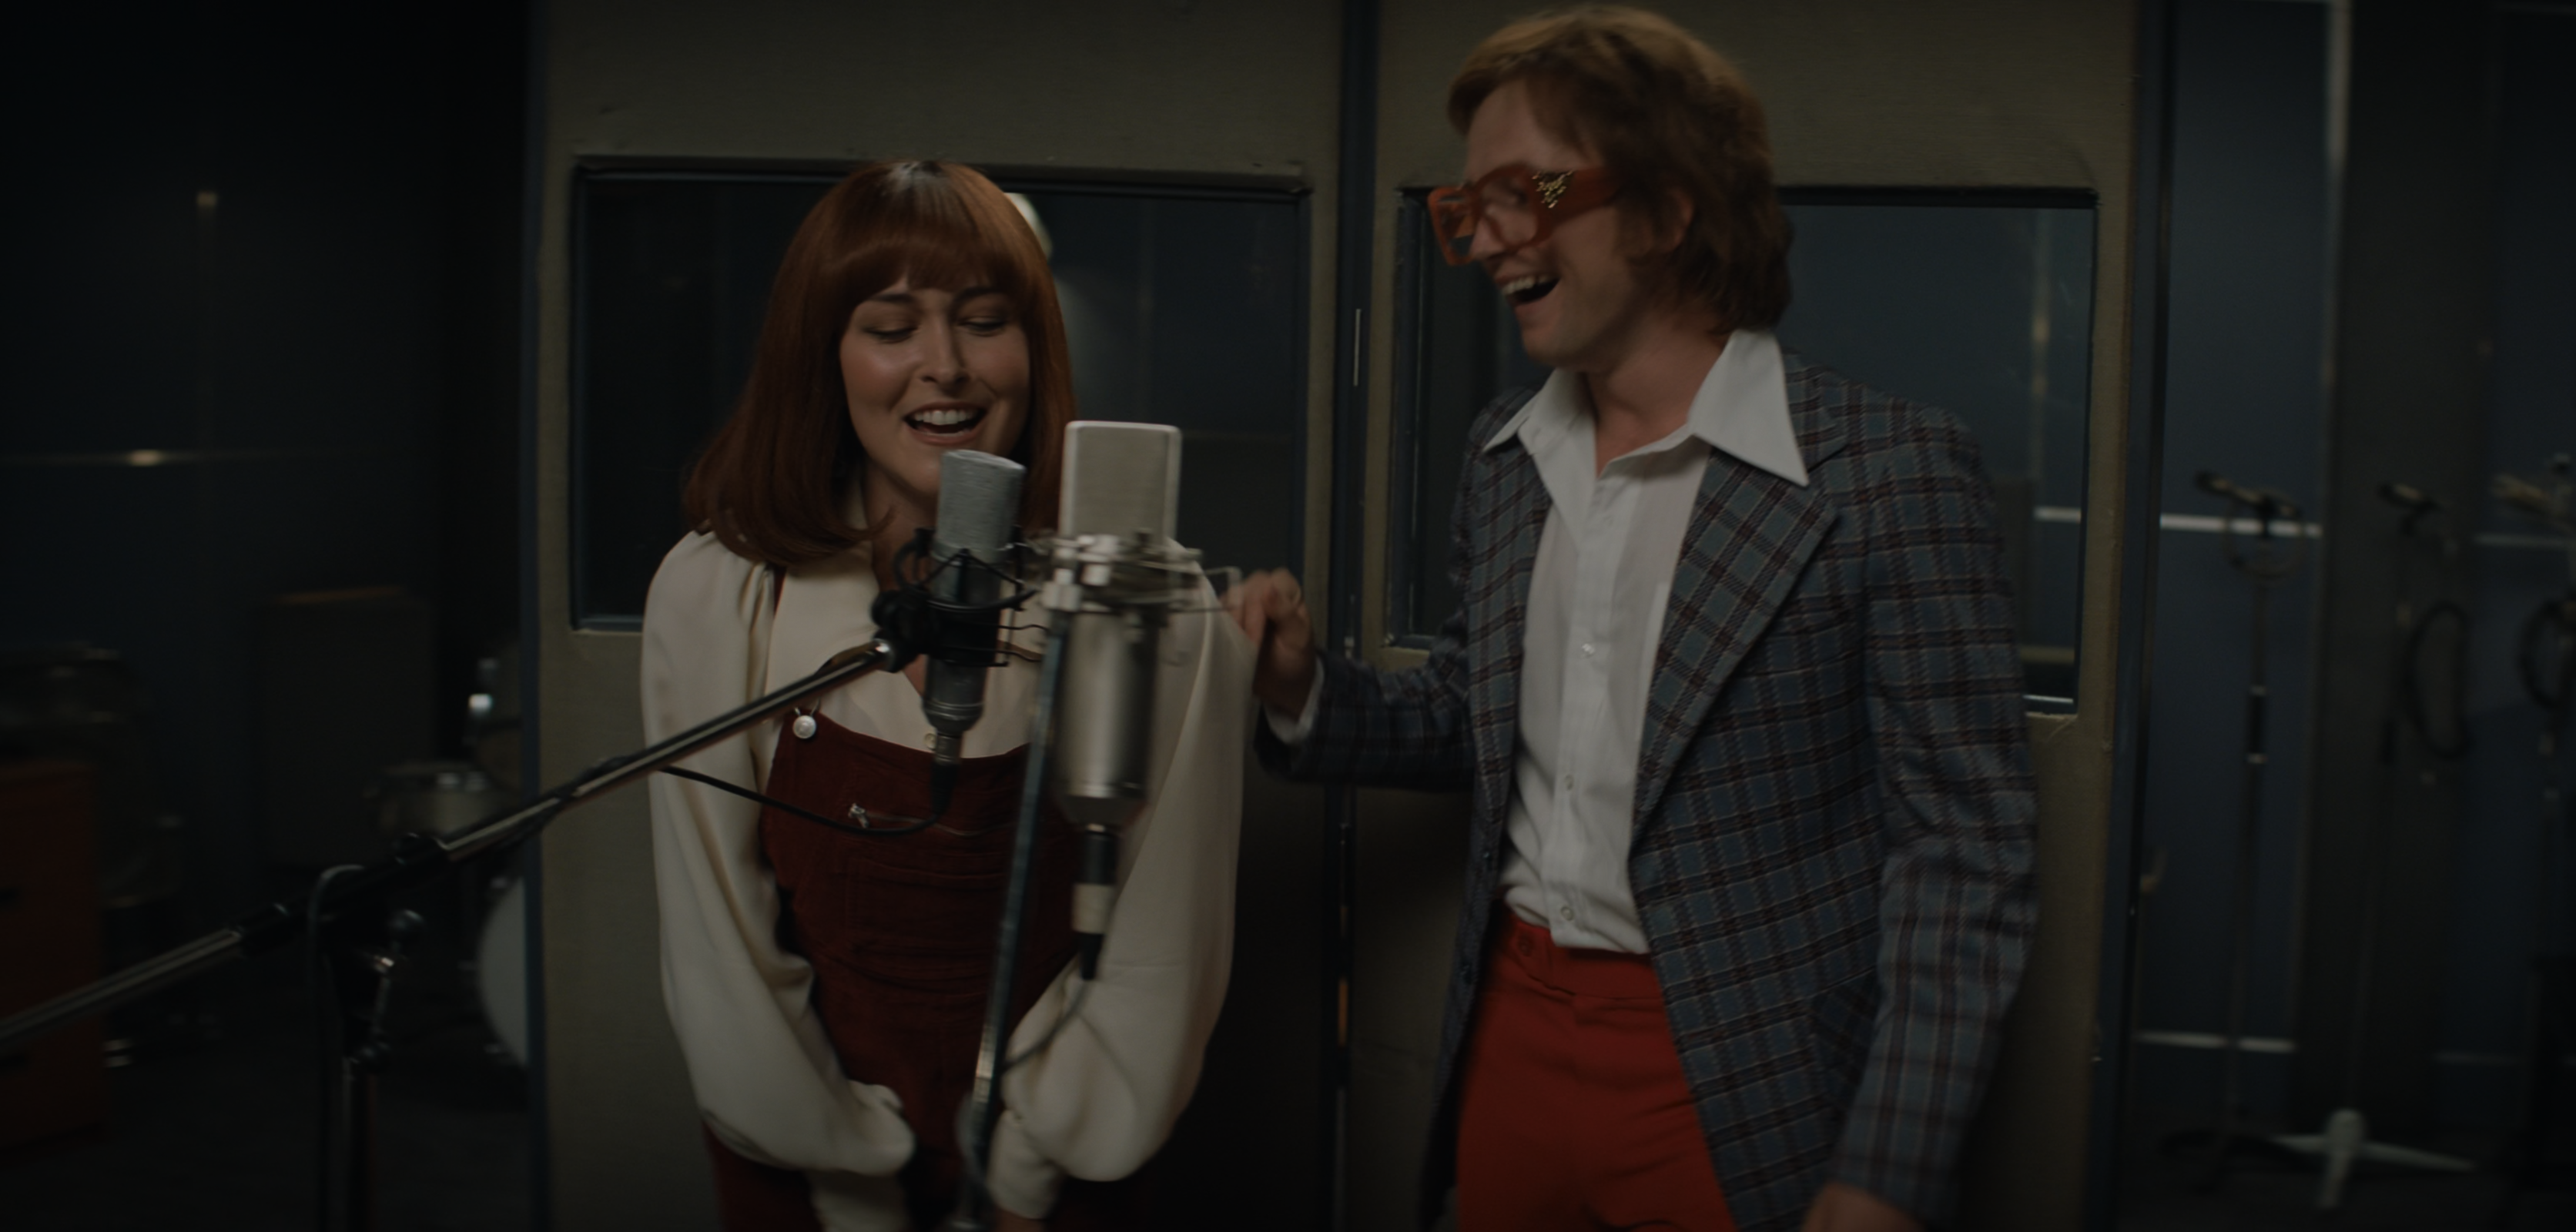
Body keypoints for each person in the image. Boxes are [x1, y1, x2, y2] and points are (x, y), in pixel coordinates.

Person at [1225, 9, 2038, 1230]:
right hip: (1509, 1036)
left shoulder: (1891, 475)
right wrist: (1301, 689)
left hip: (1742, 1077)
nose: (1486, 238)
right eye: (1470, 206)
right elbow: (1467, 719)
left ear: (1667, 210)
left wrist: (1889, 1167)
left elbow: (1964, 854)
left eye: (1529, 191)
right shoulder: (1505, 458)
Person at [641, 159, 1252, 1232]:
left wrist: (1027, 1174)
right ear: (822, 357)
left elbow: (1163, 947)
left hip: (1055, 1171)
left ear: (1036, 347)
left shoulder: (1150, 600)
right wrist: (841, 1168)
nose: (947, 367)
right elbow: (717, 942)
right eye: (892, 327)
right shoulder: (721, 590)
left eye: (984, 321)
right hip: (806, 1161)